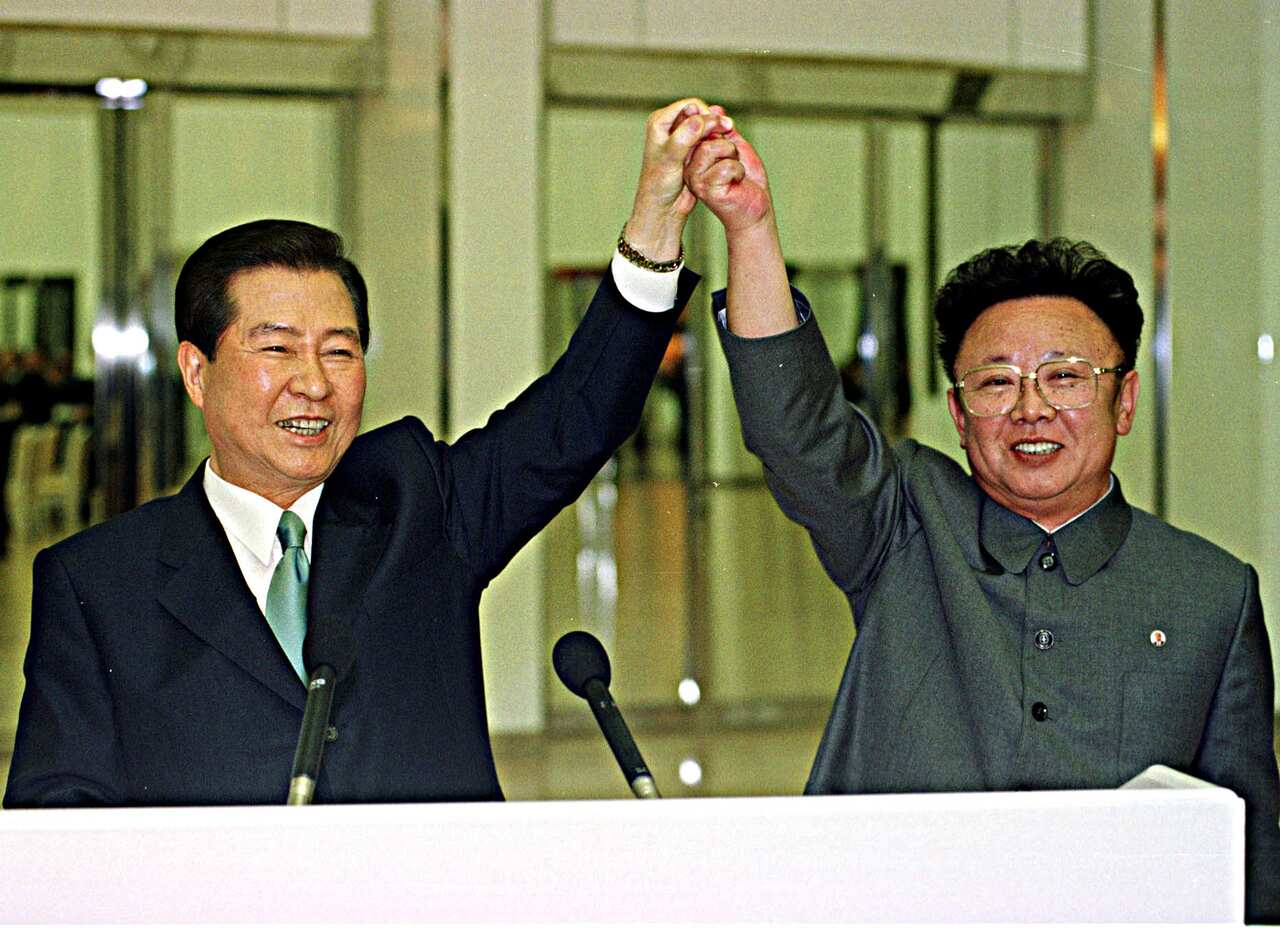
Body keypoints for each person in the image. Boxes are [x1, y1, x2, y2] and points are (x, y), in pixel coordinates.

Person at [4, 98, 732, 808]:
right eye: (278, 349)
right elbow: (57, 813)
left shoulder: (418, 502)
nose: (314, 384)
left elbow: (574, 421)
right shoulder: (98, 580)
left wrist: (655, 223)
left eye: (339, 351)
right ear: (197, 371)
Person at [684, 123, 1280, 921]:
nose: (1031, 408)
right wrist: (751, 229)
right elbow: (797, 427)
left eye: (1066, 377)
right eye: (996, 382)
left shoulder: (1212, 594)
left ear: (1125, 400)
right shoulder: (903, 523)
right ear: (961, 418)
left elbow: (1244, 853)